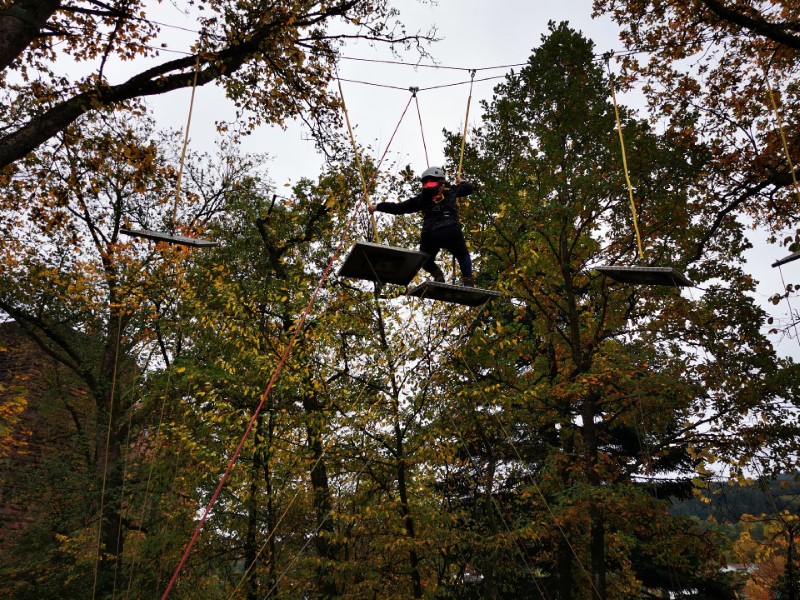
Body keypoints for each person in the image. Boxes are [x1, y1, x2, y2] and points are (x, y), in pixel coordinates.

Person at [368, 166, 475, 286]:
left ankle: (438, 275)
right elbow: (469, 189)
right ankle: (468, 281)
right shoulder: (451, 191)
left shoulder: (422, 199)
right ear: (442, 180)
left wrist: (377, 207)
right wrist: (461, 182)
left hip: (430, 234)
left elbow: (399, 208)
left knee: (425, 260)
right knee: (462, 255)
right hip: (450, 229)